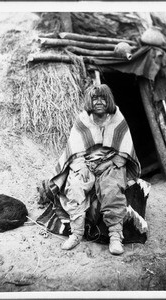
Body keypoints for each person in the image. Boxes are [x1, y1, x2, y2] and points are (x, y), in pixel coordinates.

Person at [47, 83, 141, 255]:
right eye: (95, 98)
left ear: (109, 100)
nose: (99, 102)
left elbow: (124, 150)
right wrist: (81, 165)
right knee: (75, 186)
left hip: (111, 162)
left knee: (111, 189)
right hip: (86, 161)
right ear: (89, 101)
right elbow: (75, 148)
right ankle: (76, 234)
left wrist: (108, 164)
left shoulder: (117, 118)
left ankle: (115, 237)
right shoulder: (82, 119)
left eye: (103, 98)